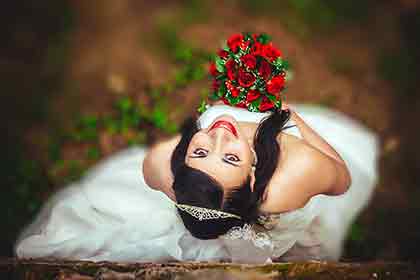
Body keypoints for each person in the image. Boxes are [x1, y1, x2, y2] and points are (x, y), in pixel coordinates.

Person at [15, 33, 380, 262]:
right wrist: (293, 119)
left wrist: (215, 162)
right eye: (231, 158)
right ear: (254, 177)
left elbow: (202, 179)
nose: (219, 134)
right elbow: (342, 179)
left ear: (180, 167)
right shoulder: (291, 174)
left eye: (200, 153)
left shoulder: (161, 163)